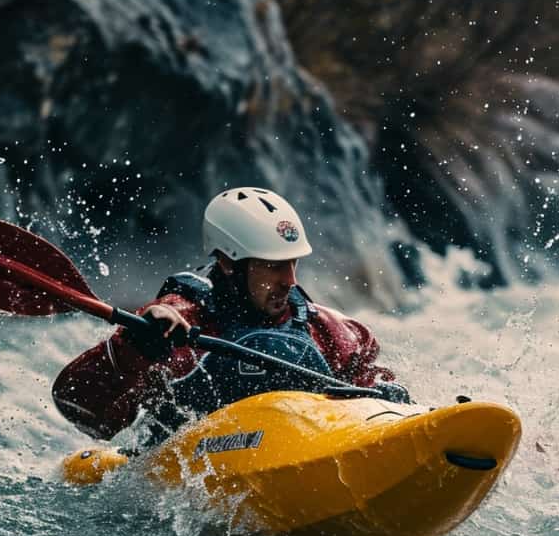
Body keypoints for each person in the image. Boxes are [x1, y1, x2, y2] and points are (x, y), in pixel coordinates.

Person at [52, 187, 410, 442]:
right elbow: (84, 414)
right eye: (272, 266)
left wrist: (387, 396)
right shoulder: (171, 326)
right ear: (227, 263)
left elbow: (373, 411)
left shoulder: (333, 332)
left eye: (292, 263)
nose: (290, 280)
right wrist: (133, 349)